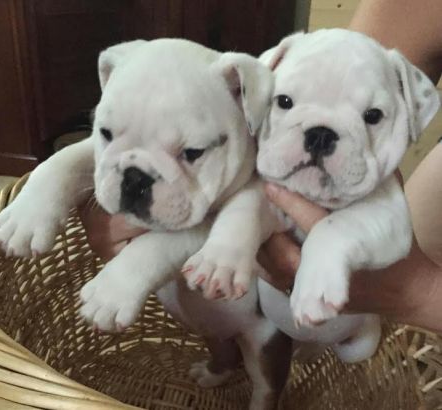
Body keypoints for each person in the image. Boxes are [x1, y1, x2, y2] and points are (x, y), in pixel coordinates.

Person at [78, 0, 442, 333]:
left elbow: (387, 233)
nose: (318, 138)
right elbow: (257, 203)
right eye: (285, 102)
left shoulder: (377, 196)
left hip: (382, 323)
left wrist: (416, 294)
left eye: (371, 116)